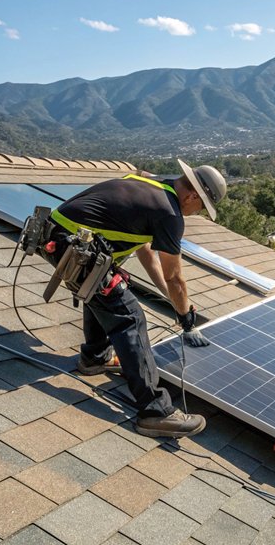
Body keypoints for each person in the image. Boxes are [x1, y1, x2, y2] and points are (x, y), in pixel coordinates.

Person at [42, 159, 227, 438]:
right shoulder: (170, 213)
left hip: (56, 235)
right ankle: (155, 411)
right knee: (129, 316)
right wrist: (185, 314)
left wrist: (172, 300)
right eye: (200, 207)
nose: (196, 213)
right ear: (192, 196)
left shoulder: (149, 185)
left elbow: (146, 253)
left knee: (104, 289)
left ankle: (95, 357)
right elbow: (176, 278)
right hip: (74, 248)